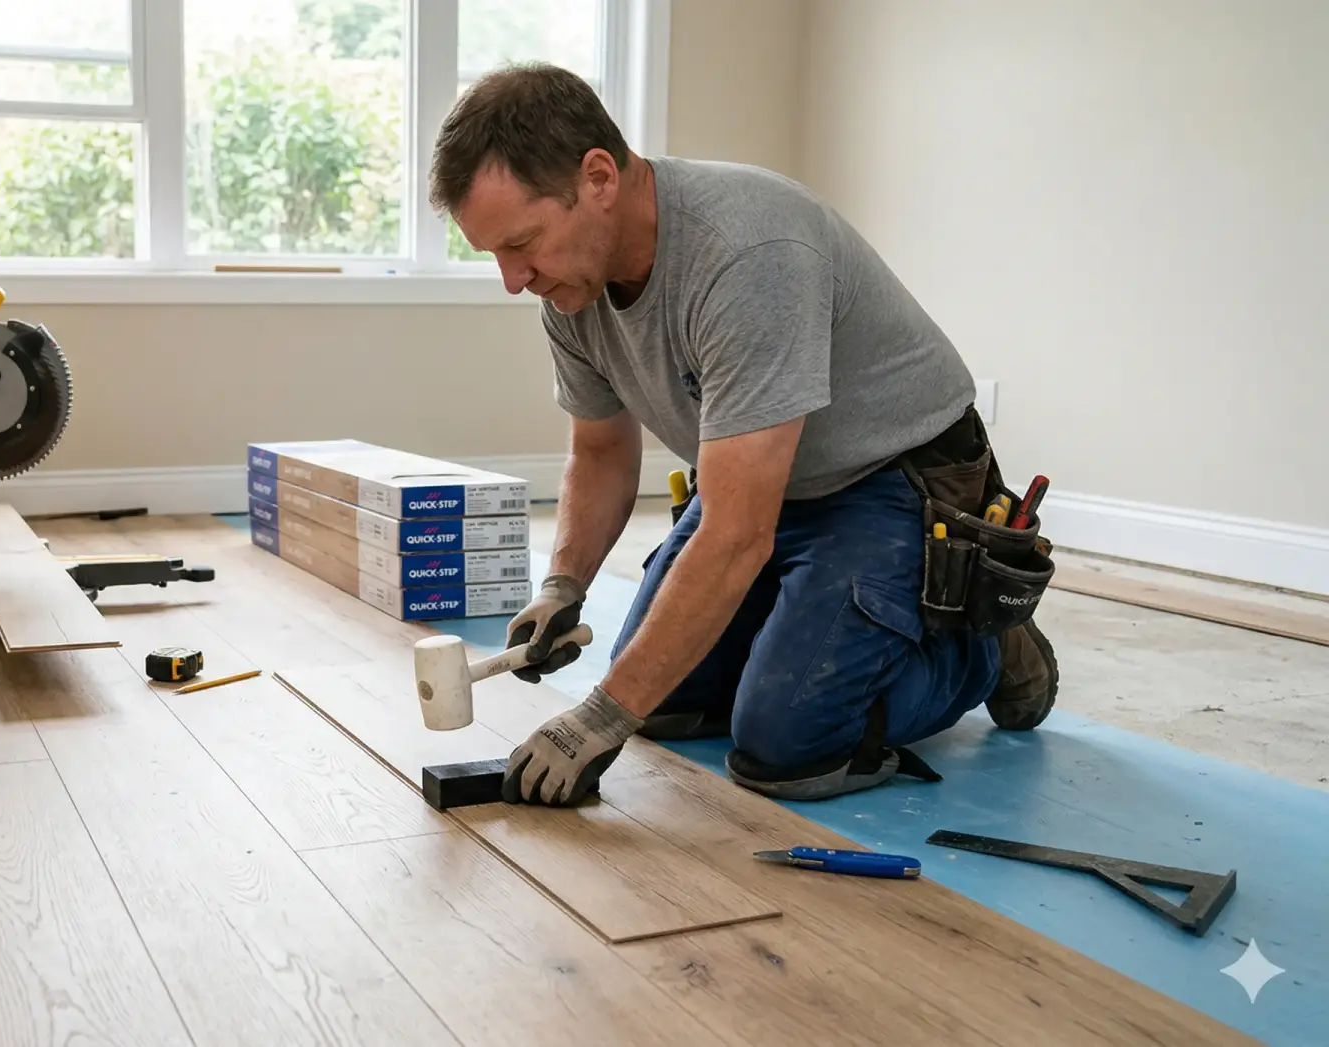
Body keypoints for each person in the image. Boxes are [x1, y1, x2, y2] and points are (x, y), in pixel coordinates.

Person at [427, 63, 1061, 807]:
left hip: (892, 481)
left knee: (788, 743)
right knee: (661, 701)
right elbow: (600, 454)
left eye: (521, 243)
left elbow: (733, 535)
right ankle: (811, 625)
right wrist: (564, 585)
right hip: (761, 482)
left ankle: (979, 644)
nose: (512, 278)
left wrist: (600, 716)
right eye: (495, 254)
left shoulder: (747, 253)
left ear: (598, 176)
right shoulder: (571, 288)